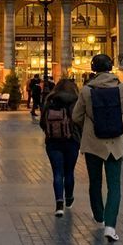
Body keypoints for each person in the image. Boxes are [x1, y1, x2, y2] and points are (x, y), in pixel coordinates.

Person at [71, 54, 123, 242]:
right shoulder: (121, 88)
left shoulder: (87, 90)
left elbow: (75, 117)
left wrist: (88, 125)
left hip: (92, 143)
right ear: (111, 67)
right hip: (115, 142)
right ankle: (110, 225)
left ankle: (99, 215)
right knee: (114, 186)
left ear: (93, 69)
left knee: (95, 182)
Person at [40, 78, 80, 217]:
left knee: (57, 173)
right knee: (69, 172)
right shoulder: (75, 100)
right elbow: (79, 121)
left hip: (53, 142)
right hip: (71, 141)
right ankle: (69, 198)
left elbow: (42, 122)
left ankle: (59, 205)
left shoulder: (49, 100)